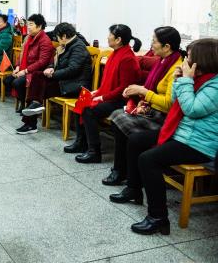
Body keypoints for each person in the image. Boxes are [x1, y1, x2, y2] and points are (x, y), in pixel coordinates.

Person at [112, 39, 218, 235]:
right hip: (183, 133)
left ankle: (158, 217)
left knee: (148, 159)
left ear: (202, 61)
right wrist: (180, 80)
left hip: (199, 143)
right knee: (135, 140)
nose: (185, 61)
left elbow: (192, 109)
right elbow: (176, 102)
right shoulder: (198, 79)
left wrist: (184, 80)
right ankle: (134, 189)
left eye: (189, 58)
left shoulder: (215, 86)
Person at [102, 27, 183, 186]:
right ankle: (121, 169)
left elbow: (169, 103)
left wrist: (143, 92)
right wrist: (142, 102)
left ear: (167, 46)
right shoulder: (162, 61)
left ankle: (124, 171)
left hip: (164, 118)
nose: (151, 44)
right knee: (118, 117)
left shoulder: (176, 68)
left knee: (124, 124)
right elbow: (152, 89)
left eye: (154, 41)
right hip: (153, 110)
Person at [71, 24, 142, 163]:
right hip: (112, 96)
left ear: (118, 40)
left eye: (110, 35)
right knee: (82, 101)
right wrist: (98, 91)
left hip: (121, 100)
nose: (107, 37)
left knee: (89, 110)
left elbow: (124, 88)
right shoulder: (116, 53)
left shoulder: (127, 58)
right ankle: (81, 142)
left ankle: (94, 151)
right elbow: (109, 81)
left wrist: (102, 97)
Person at [20, 22, 92, 130]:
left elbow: (72, 70)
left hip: (74, 86)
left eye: (57, 37)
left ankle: (30, 123)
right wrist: (51, 67)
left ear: (64, 36)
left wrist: (53, 74)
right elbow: (56, 63)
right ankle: (34, 109)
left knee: (37, 90)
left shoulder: (78, 47)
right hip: (64, 81)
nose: (56, 39)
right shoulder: (67, 45)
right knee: (37, 76)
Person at [3, 14, 54, 132]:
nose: (28, 27)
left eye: (31, 24)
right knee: (7, 80)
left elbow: (42, 62)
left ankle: (27, 107)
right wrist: (17, 67)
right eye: (28, 24)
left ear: (39, 26)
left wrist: (24, 71)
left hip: (36, 72)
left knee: (17, 82)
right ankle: (23, 102)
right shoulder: (28, 38)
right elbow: (21, 55)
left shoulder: (44, 40)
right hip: (25, 68)